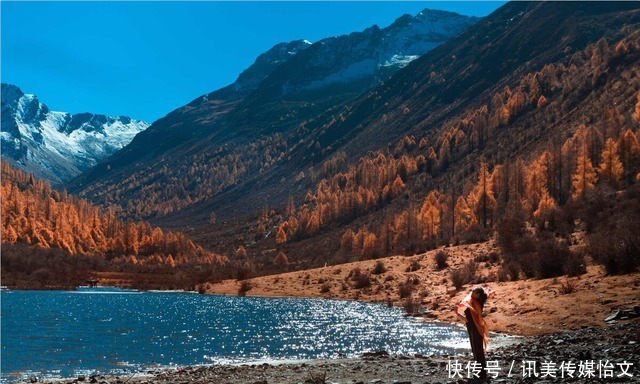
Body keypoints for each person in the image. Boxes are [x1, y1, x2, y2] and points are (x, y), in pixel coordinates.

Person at [455, 286, 493, 382]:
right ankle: (481, 374)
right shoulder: (476, 302)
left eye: (474, 292)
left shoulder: (475, 304)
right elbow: (468, 320)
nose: (471, 292)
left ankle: (480, 375)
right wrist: (458, 314)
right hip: (475, 329)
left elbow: (469, 319)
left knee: (477, 352)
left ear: (478, 295)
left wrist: (458, 313)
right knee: (478, 351)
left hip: (474, 330)